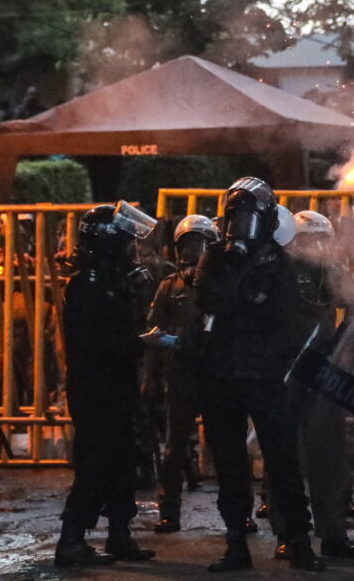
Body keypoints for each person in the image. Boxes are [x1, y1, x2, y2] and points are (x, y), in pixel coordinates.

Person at [194, 177, 324, 572]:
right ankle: (237, 542)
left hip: (264, 375)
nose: (242, 224)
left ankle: (299, 541)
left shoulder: (278, 261)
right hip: (223, 375)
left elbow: (283, 318)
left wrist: (240, 303)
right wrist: (247, 296)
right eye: (236, 215)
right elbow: (205, 301)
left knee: (282, 462)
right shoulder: (216, 256)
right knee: (231, 466)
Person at [55, 202, 158, 567]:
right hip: (95, 388)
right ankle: (71, 539)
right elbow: (98, 341)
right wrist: (141, 342)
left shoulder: (111, 280)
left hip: (116, 384)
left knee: (122, 461)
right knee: (96, 463)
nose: (134, 247)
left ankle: (119, 534)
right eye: (128, 240)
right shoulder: (87, 285)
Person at [273, 209, 354, 558]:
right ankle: (290, 533)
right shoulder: (278, 269)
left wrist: (341, 342)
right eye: (312, 238)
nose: (319, 245)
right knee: (285, 455)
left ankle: (333, 534)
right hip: (286, 370)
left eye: (323, 238)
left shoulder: (328, 269)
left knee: (329, 456)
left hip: (322, 370)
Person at [149, 214, 219, 533]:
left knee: (225, 445)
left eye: (197, 243)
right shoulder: (169, 286)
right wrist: (151, 376)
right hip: (181, 373)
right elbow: (153, 330)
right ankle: (169, 511)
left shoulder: (221, 284)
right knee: (174, 446)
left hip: (216, 373)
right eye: (186, 244)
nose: (191, 251)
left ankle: (239, 512)